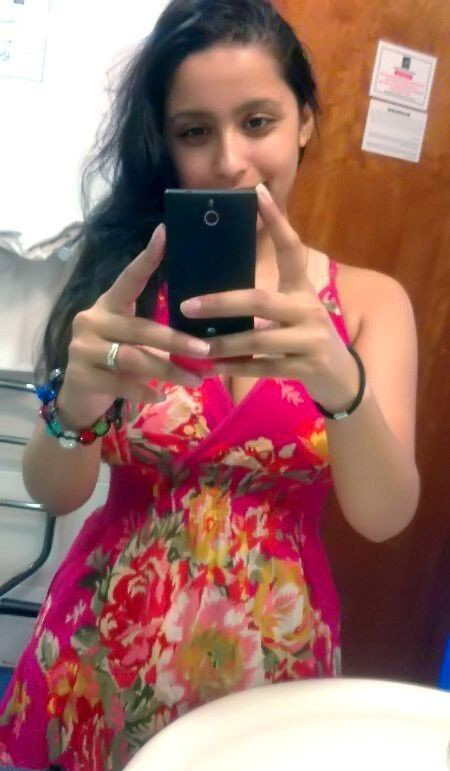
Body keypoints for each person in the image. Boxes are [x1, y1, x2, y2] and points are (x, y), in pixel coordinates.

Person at [0, 0, 420, 769]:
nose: (229, 161)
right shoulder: (126, 285)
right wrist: (76, 409)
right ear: (166, 145)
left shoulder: (369, 303)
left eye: (257, 121)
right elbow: (56, 491)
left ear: (304, 121)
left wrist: (343, 387)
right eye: (195, 131)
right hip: (99, 665)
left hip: (272, 675)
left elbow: (385, 516)